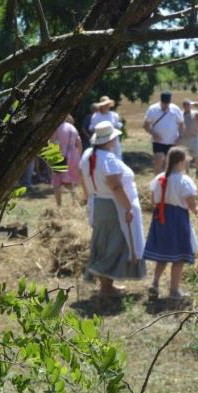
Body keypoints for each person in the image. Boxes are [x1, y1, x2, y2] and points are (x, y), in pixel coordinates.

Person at [79, 120, 146, 295]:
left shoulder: (88, 155)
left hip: (99, 203)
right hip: (113, 206)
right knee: (116, 245)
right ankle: (98, 271)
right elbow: (116, 186)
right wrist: (128, 208)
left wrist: (88, 197)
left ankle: (106, 286)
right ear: (110, 140)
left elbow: (81, 177)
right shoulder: (107, 159)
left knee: (104, 244)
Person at [144, 148, 198, 300]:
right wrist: (196, 210)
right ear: (180, 162)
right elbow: (190, 202)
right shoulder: (184, 180)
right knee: (179, 256)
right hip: (177, 218)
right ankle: (174, 290)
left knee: (162, 254)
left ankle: (154, 284)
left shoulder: (159, 178)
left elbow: (153, 200)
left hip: (160, 217)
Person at [144, 91, 184, 175]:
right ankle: (157, 181)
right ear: (161, 101)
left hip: (173, 141)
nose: (165, 105)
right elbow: (146, 125)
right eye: (164, 103)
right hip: (158, 141)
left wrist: (180, 137)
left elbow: (181, 124)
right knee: (158, 161)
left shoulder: (175, 109)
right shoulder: (152, 109)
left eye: (167, 103)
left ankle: (167, 182)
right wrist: (154, 134)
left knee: (169, 163)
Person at [50, 115, 82, 206]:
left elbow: (52, 142)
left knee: (57, 183)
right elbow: (79, 144)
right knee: (70, 181)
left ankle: (59, 205)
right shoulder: (73, 128)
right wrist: (77, 157)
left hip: (60, 156)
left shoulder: (57, 128)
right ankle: (74, 202)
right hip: (73, 156)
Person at [180, 99, 198, 177]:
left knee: (197, 156)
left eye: (188, 105)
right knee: (185, 156)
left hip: (194, 138)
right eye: (185, 105)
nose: (186, 106)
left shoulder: (195, 113)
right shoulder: (180, 114)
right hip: (184, 138)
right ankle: (187, 172)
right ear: (183, 106)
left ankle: (197, 171)